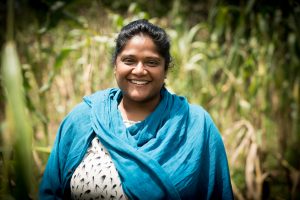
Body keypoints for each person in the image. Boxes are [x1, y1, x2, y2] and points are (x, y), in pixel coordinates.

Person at [39, 19, 233, 200]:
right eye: (129, 60)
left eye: (152, 62)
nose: (139, 70)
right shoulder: (84, 118)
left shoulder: (195, 125)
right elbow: (50, 191)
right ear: (115, 65)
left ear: (165, 70)